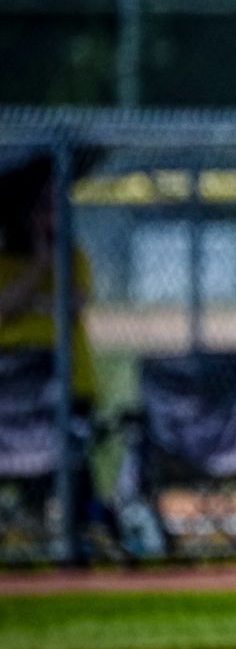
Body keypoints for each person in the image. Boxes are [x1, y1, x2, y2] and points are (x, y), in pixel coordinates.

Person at [0, 150, 118, 555]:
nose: (49, 215)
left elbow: (73, 303)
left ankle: (83, 534)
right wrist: (38, 264)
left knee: (73, 458)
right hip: (10, 395)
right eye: (41, 208)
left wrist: (31, 296)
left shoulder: (73, 258)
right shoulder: (8, 262)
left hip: (68, 389)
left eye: (54, 207)